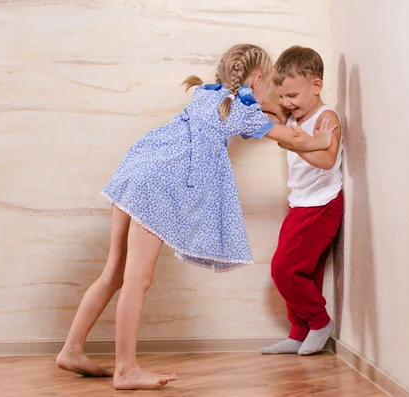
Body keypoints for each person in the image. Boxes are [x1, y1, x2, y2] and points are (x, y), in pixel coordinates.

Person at [56, 44, 338, 390]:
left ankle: (71, 350)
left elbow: (261, 108)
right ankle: (126, 369)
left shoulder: (207, 93)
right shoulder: (242, 111)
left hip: (135, 170)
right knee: (137, 279)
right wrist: (323, 136)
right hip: (157, 185)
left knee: (114, 272)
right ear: (259, 78)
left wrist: (265, 104)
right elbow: (294, 139)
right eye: (268, 87)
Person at [260, 45, 344, 356]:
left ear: (317, 86)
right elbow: (265, 108)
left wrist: (296, 142)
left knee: (284, 270)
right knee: (304, 272)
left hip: (321, 206)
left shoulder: (326, 116)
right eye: (282, 96)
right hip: (300, 204)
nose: (286, 103)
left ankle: (320, 322)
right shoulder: (294, 113)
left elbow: (327, 159)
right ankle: (299, 333)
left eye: (292, 96)